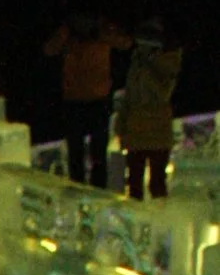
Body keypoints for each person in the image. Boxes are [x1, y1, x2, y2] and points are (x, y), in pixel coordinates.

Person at [41, 13, 127, 186]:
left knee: (98, 155)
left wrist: (98, 33)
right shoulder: (67, 30)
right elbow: (49, 50)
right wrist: (67, 33)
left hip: (98, 99)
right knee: (76, 155)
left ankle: (98, 193)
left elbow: (125, 43)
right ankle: (77, 191)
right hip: (75, 101)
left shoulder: (103, 27)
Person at [114, 18, 184, 198]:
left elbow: (162, 93)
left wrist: (147, 65)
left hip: (156, 130)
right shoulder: (137, 61)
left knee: (157, 183)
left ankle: (161, 222)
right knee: (135, 183)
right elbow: (130, 94)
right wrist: (121, 126)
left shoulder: (168, 63)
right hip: (137, 130)